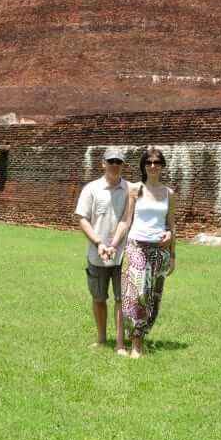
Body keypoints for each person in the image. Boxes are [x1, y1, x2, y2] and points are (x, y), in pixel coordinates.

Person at [112, 147, 175, 358]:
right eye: (149, 163)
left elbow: (171, 225)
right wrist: (113, 245)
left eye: (157, 162)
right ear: (143, 166)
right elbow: (126, 221)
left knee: (152, 298)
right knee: (137, 297)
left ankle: (140, 339)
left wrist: (172, 251)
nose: (153, 166)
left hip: (159, 250)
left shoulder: (169, 193)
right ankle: (136, 346)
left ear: (163, 166)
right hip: (136, 247)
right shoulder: (135, 189)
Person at [74, 148, 130, 353]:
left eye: (119, 161)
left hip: (122, 253)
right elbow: (82, 218)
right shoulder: (91, 189)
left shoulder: (130, 189)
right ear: (103, 163)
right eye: (111, 161)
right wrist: (99, 243)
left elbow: (127, 220)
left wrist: (113, 245)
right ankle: (101, 338)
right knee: (98, 298)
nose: (115, 165)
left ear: (123, 165)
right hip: (96, 253)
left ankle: (120, 343)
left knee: (121, 299)